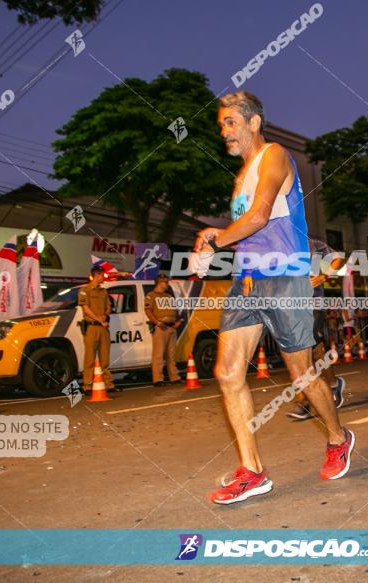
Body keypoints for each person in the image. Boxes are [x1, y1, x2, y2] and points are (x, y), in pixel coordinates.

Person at [195, 91, 354, 504]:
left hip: (285, 276)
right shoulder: (240, 176)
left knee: (302, 375)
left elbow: (261, 215)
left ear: (253, 122)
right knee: (228, 374)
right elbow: (247, 227)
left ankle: (338, 438)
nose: (224, 131)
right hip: (247, 281)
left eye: (230, 122)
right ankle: (252, 471)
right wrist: (214, 235)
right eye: (221, 125)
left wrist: (218, 242)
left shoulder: (275, 155)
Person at [286, 238, 346, 420]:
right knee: (315, 351)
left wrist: (324, 276)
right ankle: (334, 384)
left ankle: (304, 401)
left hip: (313, 304)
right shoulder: (280, 245)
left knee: (301, 350)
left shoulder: (313, 243)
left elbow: (338, 259)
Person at [78, 266, 116, 394]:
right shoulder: (85, 290)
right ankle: (87, 386)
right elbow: (86, 309)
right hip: (92, 327)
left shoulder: (104, 291)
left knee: (105, 359)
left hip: (103, 328)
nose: (103, 277)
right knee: (89, 359)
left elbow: (109, 307)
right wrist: (100, 319)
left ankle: (108, 384)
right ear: (96, 275)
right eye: (102, 275)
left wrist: (105, 315)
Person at [144, 275, 183, 387]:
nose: (167, 284)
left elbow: (175, 311)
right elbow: (148, 311)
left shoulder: (169, 296)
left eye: (167, 282)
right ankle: (158, 379)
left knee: (171, 355)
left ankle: (174, 377)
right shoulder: (151, 295)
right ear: (159, 283)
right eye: (165, 282)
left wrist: (178, 321)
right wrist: (157, 322)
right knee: (159, 354)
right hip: (161, 327)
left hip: (171, 327)